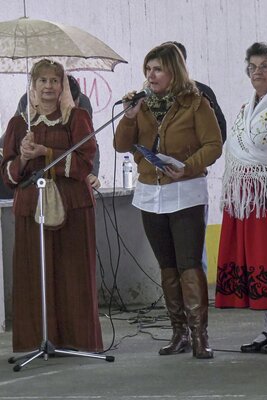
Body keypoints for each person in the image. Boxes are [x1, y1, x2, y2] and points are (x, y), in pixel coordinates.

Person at [114, 43, 222, 359]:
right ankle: (179, 333)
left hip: (186, 192)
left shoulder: (196, 103)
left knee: (189, 264)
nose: (151, 75)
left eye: (158, 69)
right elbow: (121, 145)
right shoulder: (141, 106)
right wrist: (130, 117)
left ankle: (200, 335)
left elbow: (213, 145)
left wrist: (187, 166)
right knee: (168, 266)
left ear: (173, 71)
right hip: (151, 193)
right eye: (148, 69)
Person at [1, 59, 102, 353]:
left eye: (54, 80)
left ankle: (77, 339)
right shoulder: (18, 124)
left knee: (73, 274)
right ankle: (39, 340)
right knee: (34, 274)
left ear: (62, 86)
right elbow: (8, 176)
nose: (48, 86)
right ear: (32, 86)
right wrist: (22, 157)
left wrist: (46, 152)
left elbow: (85, 162)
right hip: (31, 208)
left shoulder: (77, 118)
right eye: (42, 80)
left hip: (73, 207)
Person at [215, 42, 267, 354]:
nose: (257, 72)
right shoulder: (247, 107)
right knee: (258, 262)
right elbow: (235, 149)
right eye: (252, 66)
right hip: (248, 197)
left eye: (265, 66)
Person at [165, 41, 227, 274]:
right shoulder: (152, 97)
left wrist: (195, 163)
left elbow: (218, 136)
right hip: (160, 184)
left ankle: (196, 293)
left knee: (193, 252)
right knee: (169, 256)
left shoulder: (200, 93)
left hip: (191, 180)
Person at [15, 75, 101, 189]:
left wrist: (91, 173)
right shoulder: (28, 102)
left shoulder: (83, 105)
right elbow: (14, 139)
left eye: (74, 105)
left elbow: (88, 142)